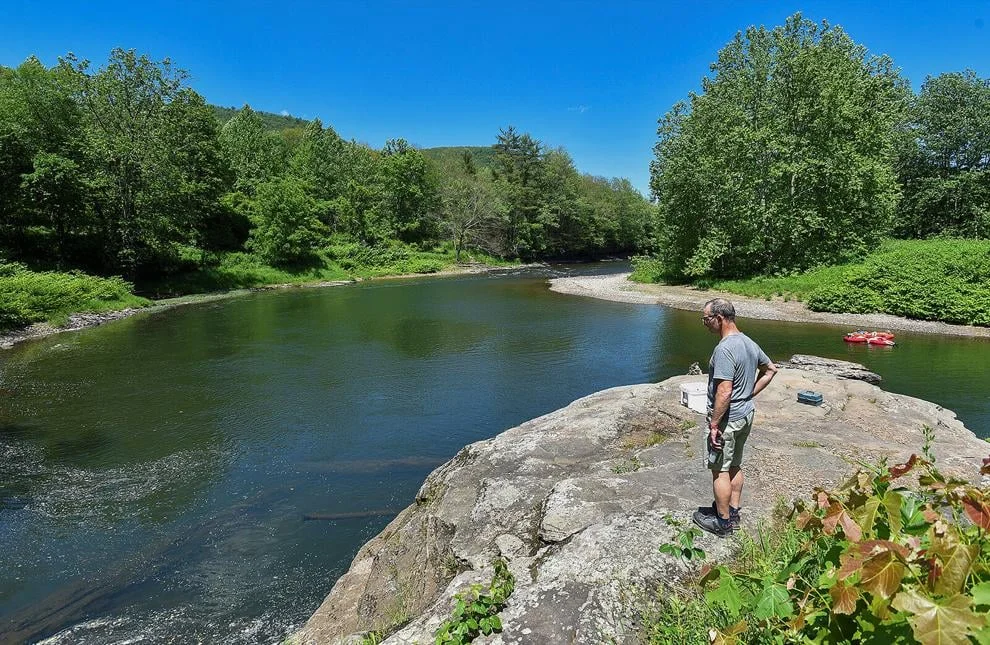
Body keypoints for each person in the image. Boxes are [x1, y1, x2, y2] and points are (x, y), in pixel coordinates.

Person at [692, 298, 777, 537]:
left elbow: (725, 390)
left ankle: (723, 523)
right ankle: (733, 511)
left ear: (719, 318)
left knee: (719, 469)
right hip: (746, 414)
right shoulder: (748, 342)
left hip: (729, 419)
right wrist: (749, 393)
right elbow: (770, 369)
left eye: (706, 319)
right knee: (735, 464)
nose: (705, 324)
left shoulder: (725, 349)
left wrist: (714, 424)